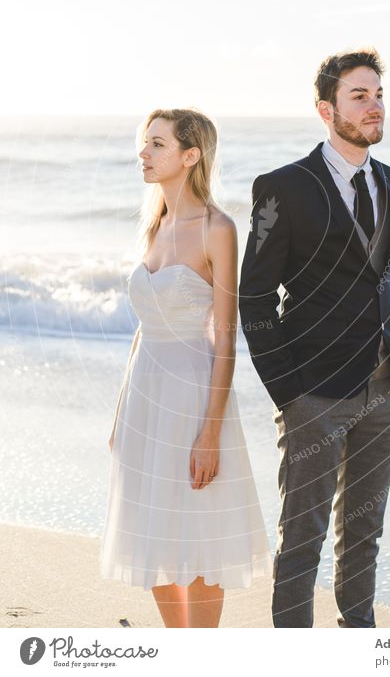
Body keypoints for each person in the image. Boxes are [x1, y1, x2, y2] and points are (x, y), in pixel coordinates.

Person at [238, 47, 390, 628]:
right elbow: (255, 297)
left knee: (366, 528)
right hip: (313, 390)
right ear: (326, 109)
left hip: (387, 386)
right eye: (359, 96)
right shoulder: (282, 188)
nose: (375, 107)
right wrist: (287, 391)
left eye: (379, 95)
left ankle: (357, 641)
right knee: (303, 537)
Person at [100, 108, 272, 628]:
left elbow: (226, 338)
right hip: (143, 396)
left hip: (192, 394)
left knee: (194, 536)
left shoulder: (217, 228)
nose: (144, 153)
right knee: (149, 531)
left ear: (190, 155)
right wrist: (117, 416)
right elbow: (143, 326)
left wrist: (210, 432)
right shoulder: (155, 224)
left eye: (157, 144)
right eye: (144, 143)